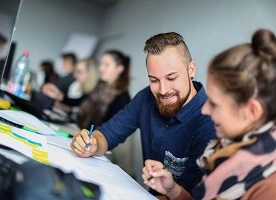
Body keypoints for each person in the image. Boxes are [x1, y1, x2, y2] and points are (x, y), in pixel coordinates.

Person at [70, 32, 216, 194]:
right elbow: (108, 133)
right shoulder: (146, 97)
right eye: (154, 80)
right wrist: (91, 144)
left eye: (171, 78)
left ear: (191, 69)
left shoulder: (211, 121)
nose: (163, 90)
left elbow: (194, 196)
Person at [142, 29, 276, 200]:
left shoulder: (269, 188)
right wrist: (172, 190)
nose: (205, 110)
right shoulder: (223, 150)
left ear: (252, 111)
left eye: (214, 103)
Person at [76, 50, 131, 129]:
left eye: (106, 65)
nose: (101, 68)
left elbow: (111, 128)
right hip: (81, 129)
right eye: (101, 64)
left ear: (119, 69)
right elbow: (81, 102)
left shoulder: (122, 98)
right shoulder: (98, 86)